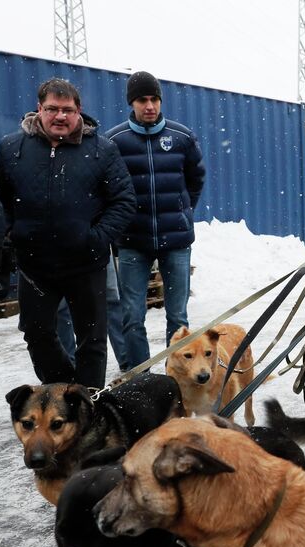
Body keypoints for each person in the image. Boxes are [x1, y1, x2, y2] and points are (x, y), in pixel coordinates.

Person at [0, 78, 136, 388]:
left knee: (92, 340)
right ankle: (66, 392)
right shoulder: (11, 149)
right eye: (52, 109)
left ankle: (89, 403)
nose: (60, 116)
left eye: (68, 110)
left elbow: (124, 201)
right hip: (35, 267)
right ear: (39, 109)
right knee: (36, 332)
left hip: (85, 264)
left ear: (79, 112)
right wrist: (8, 239)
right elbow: (0, 199)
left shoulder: (102, 150)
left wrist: (96, 238)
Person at [106, 71, 205, 367]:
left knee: (178, 317)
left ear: (160, 101)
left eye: (154, 99)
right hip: (133, 243)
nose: (149, 106)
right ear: (131, 103)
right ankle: (141, 377)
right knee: (132, 316)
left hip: (176, 241)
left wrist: (183, 212)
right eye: (142, 100)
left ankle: (177, 379)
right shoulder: (115, 141)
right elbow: (107, 187)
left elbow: (195, 179)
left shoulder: (182, 137)